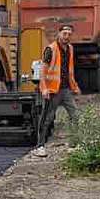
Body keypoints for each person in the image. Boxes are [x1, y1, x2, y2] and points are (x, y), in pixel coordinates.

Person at [33, 24, 81, 156]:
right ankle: (40, 146)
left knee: (75, 115)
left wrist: (74, 87)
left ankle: (74, 144)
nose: (67, 36)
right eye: (64, 33)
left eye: (69, 34)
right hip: (52, 90)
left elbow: (69, 71)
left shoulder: (70, 49)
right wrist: (44, 88)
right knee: (47, 118)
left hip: (65, 89)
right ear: (59, 34)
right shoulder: (51, 49)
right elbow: (43, 70)